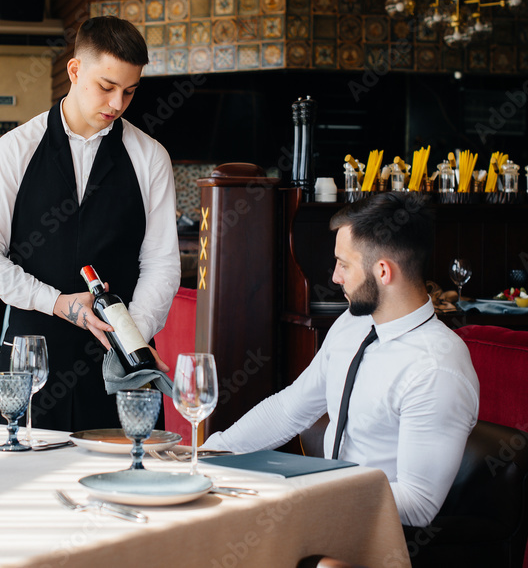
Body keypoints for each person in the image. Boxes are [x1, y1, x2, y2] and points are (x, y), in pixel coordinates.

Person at [204, 192, 479, 528]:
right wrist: (209, 455)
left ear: (382, 271)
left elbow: (417, 505)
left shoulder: (436, 368)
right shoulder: (353, 323)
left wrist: (302, 490)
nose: (335, 277)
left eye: (344, 264)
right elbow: (291, 408)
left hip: (377, 532)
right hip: (326, 508)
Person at [0, 16, 181, 432]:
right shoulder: (15, 149)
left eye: (129, 91)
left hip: (123, 365)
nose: (117, 103)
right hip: (34, 361)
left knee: (130, 483)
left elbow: (161, 263)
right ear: (75, 70)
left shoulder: (151, 157)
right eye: (106, 86)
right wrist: (56, 302)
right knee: (32, 485)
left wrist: (129, 334)